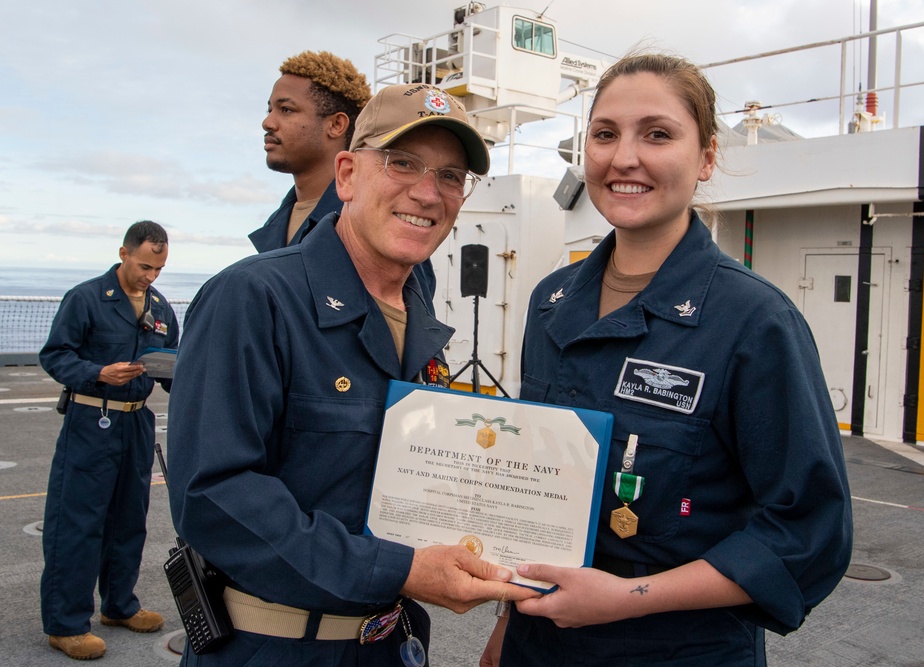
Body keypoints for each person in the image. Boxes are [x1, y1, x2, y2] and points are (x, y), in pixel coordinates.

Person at [481, 53, 853, 666]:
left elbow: (807, 532)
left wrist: (627, 597)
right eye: (604, 134)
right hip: (537, 644)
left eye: (657, 134)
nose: (624, 157)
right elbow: (536, 492)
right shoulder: (551, 301)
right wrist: (505, 629)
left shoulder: (754, 322)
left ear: (706, 157)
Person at [167, 83, 537, 666]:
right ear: (347, 174)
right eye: (402, 163)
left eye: (450, 176)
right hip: (277, 649)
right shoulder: (253, 297)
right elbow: (213, 496)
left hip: (391, 643)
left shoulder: (418, 305)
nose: (427, 192)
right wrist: (399, 568)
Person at [39, 221, 178, 660]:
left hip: (137, 424)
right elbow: (55, 354)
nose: (150, 277)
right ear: (123, 253)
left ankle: (119, 605)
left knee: (128, 520)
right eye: (143, 266)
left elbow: (176, 363)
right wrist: (97, 372)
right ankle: (66, 624)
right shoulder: (86, 298)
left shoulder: (159, 307)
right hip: (91, 419)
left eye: (158, 269)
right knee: (78, 523)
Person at [251, 50, 438, 309]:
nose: (268, 122)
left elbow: (410, 336)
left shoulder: (378, 226)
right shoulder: (279, 221)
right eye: (270, 109)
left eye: (286, 110)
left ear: (337, 125)